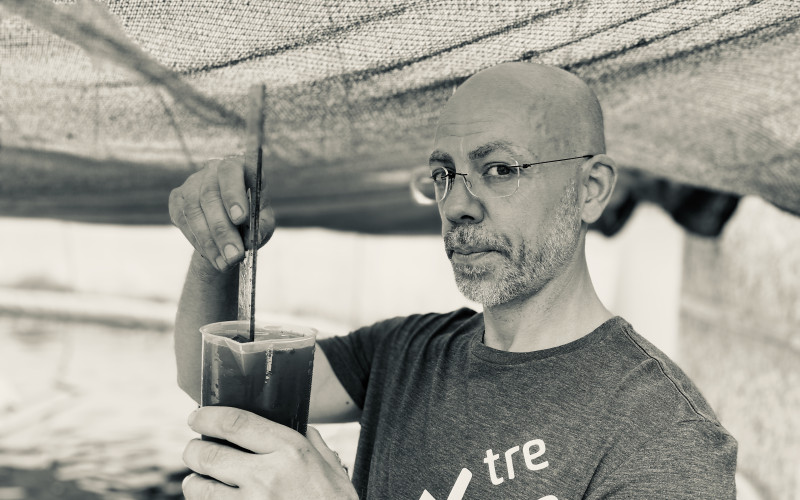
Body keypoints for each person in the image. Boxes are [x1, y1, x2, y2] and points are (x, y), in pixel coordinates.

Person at [169, 62, 737, 499]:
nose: (459, 203)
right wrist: (215, 246)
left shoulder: (666, 435)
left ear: (590, 190)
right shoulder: (404, 354)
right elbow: (212, 382)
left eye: (500, 170)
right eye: (445, 174)